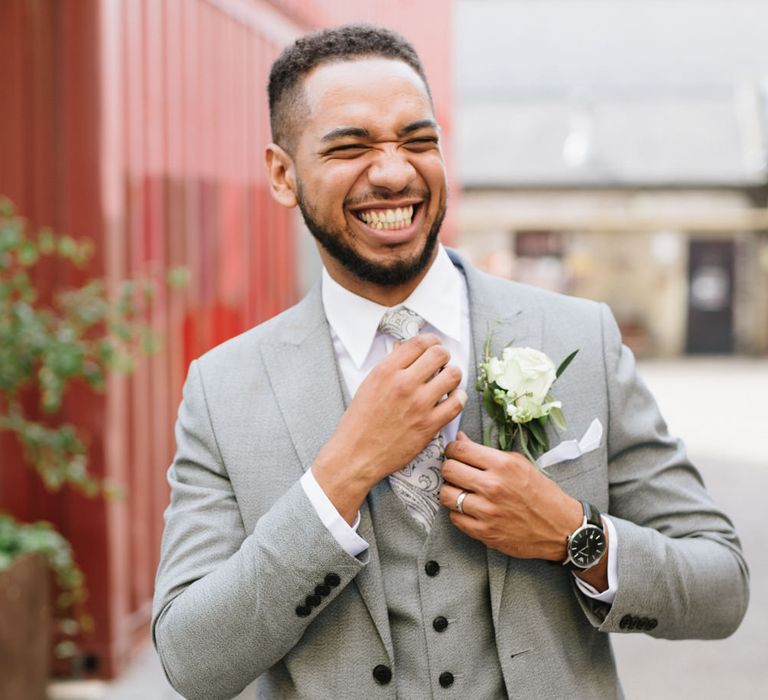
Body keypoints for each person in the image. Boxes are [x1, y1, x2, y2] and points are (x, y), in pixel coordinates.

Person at [152, 24, 748, 700]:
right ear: (283, 175)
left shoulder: (578, 334)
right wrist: (339, 476)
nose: (395, 171)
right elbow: (191, 659)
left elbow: (721, 587)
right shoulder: (222, 389)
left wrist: (573, 535)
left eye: (418, 140)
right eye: (351, 147)